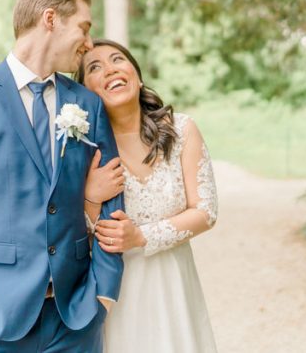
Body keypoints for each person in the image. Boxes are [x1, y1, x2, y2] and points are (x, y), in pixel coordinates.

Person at [0, 0, 124, 352]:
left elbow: (112, 202)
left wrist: (104, 291)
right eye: (84, 28)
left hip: (76, 317)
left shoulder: (87, 104)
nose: (89, 45)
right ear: (50, 19)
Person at [77, 39, 219, 352]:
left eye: (118, 59)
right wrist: (91, 196)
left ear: (137, 76)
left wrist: (141, 236)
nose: (110, 69)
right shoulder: (83, 149)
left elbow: (206, 211)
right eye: (95, 67)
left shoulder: (182, 130)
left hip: (174, 284)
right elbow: (74, 231)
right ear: (85, 91)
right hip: (116, 290)